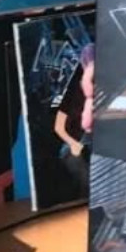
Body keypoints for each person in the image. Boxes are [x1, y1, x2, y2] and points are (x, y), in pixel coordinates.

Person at [53, 42, 95, 195]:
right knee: (71, 157)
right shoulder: (71, 93)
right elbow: (58, 127)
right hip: (75, 140)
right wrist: (74, 144)